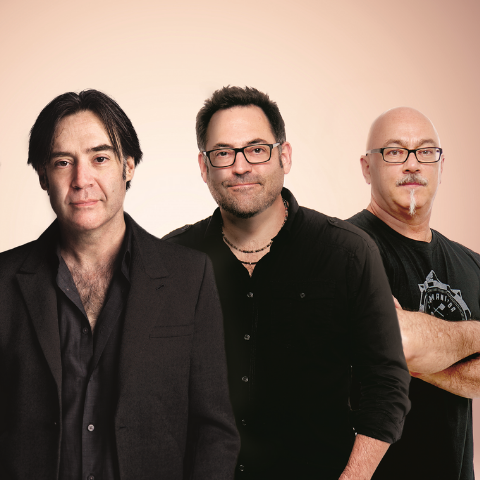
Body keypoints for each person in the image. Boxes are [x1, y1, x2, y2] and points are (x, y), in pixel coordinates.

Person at [164, 86, 411, 480]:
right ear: (203, 166)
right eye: (223, 153)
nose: (241, 166)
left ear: (285, 155)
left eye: (257, 149)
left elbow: (387, 384)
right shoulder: (173, 260)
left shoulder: (348, 252)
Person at [0, 89, 239, 480]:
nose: (82, 179)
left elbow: (214, 430)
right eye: (63, 162)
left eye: (99, 158)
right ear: (44, 176)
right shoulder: (4, 281)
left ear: (128, 166)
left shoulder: (189, 277)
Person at [348, 106, 480, 480]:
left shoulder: (473, 264)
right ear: (366, 167)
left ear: (440, 165)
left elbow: (393, 347)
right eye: (394, 152)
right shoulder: (343, 251)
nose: (412, 164)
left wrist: (411, 357)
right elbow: (400, 340)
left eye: (425, 152)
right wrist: (474, 334)